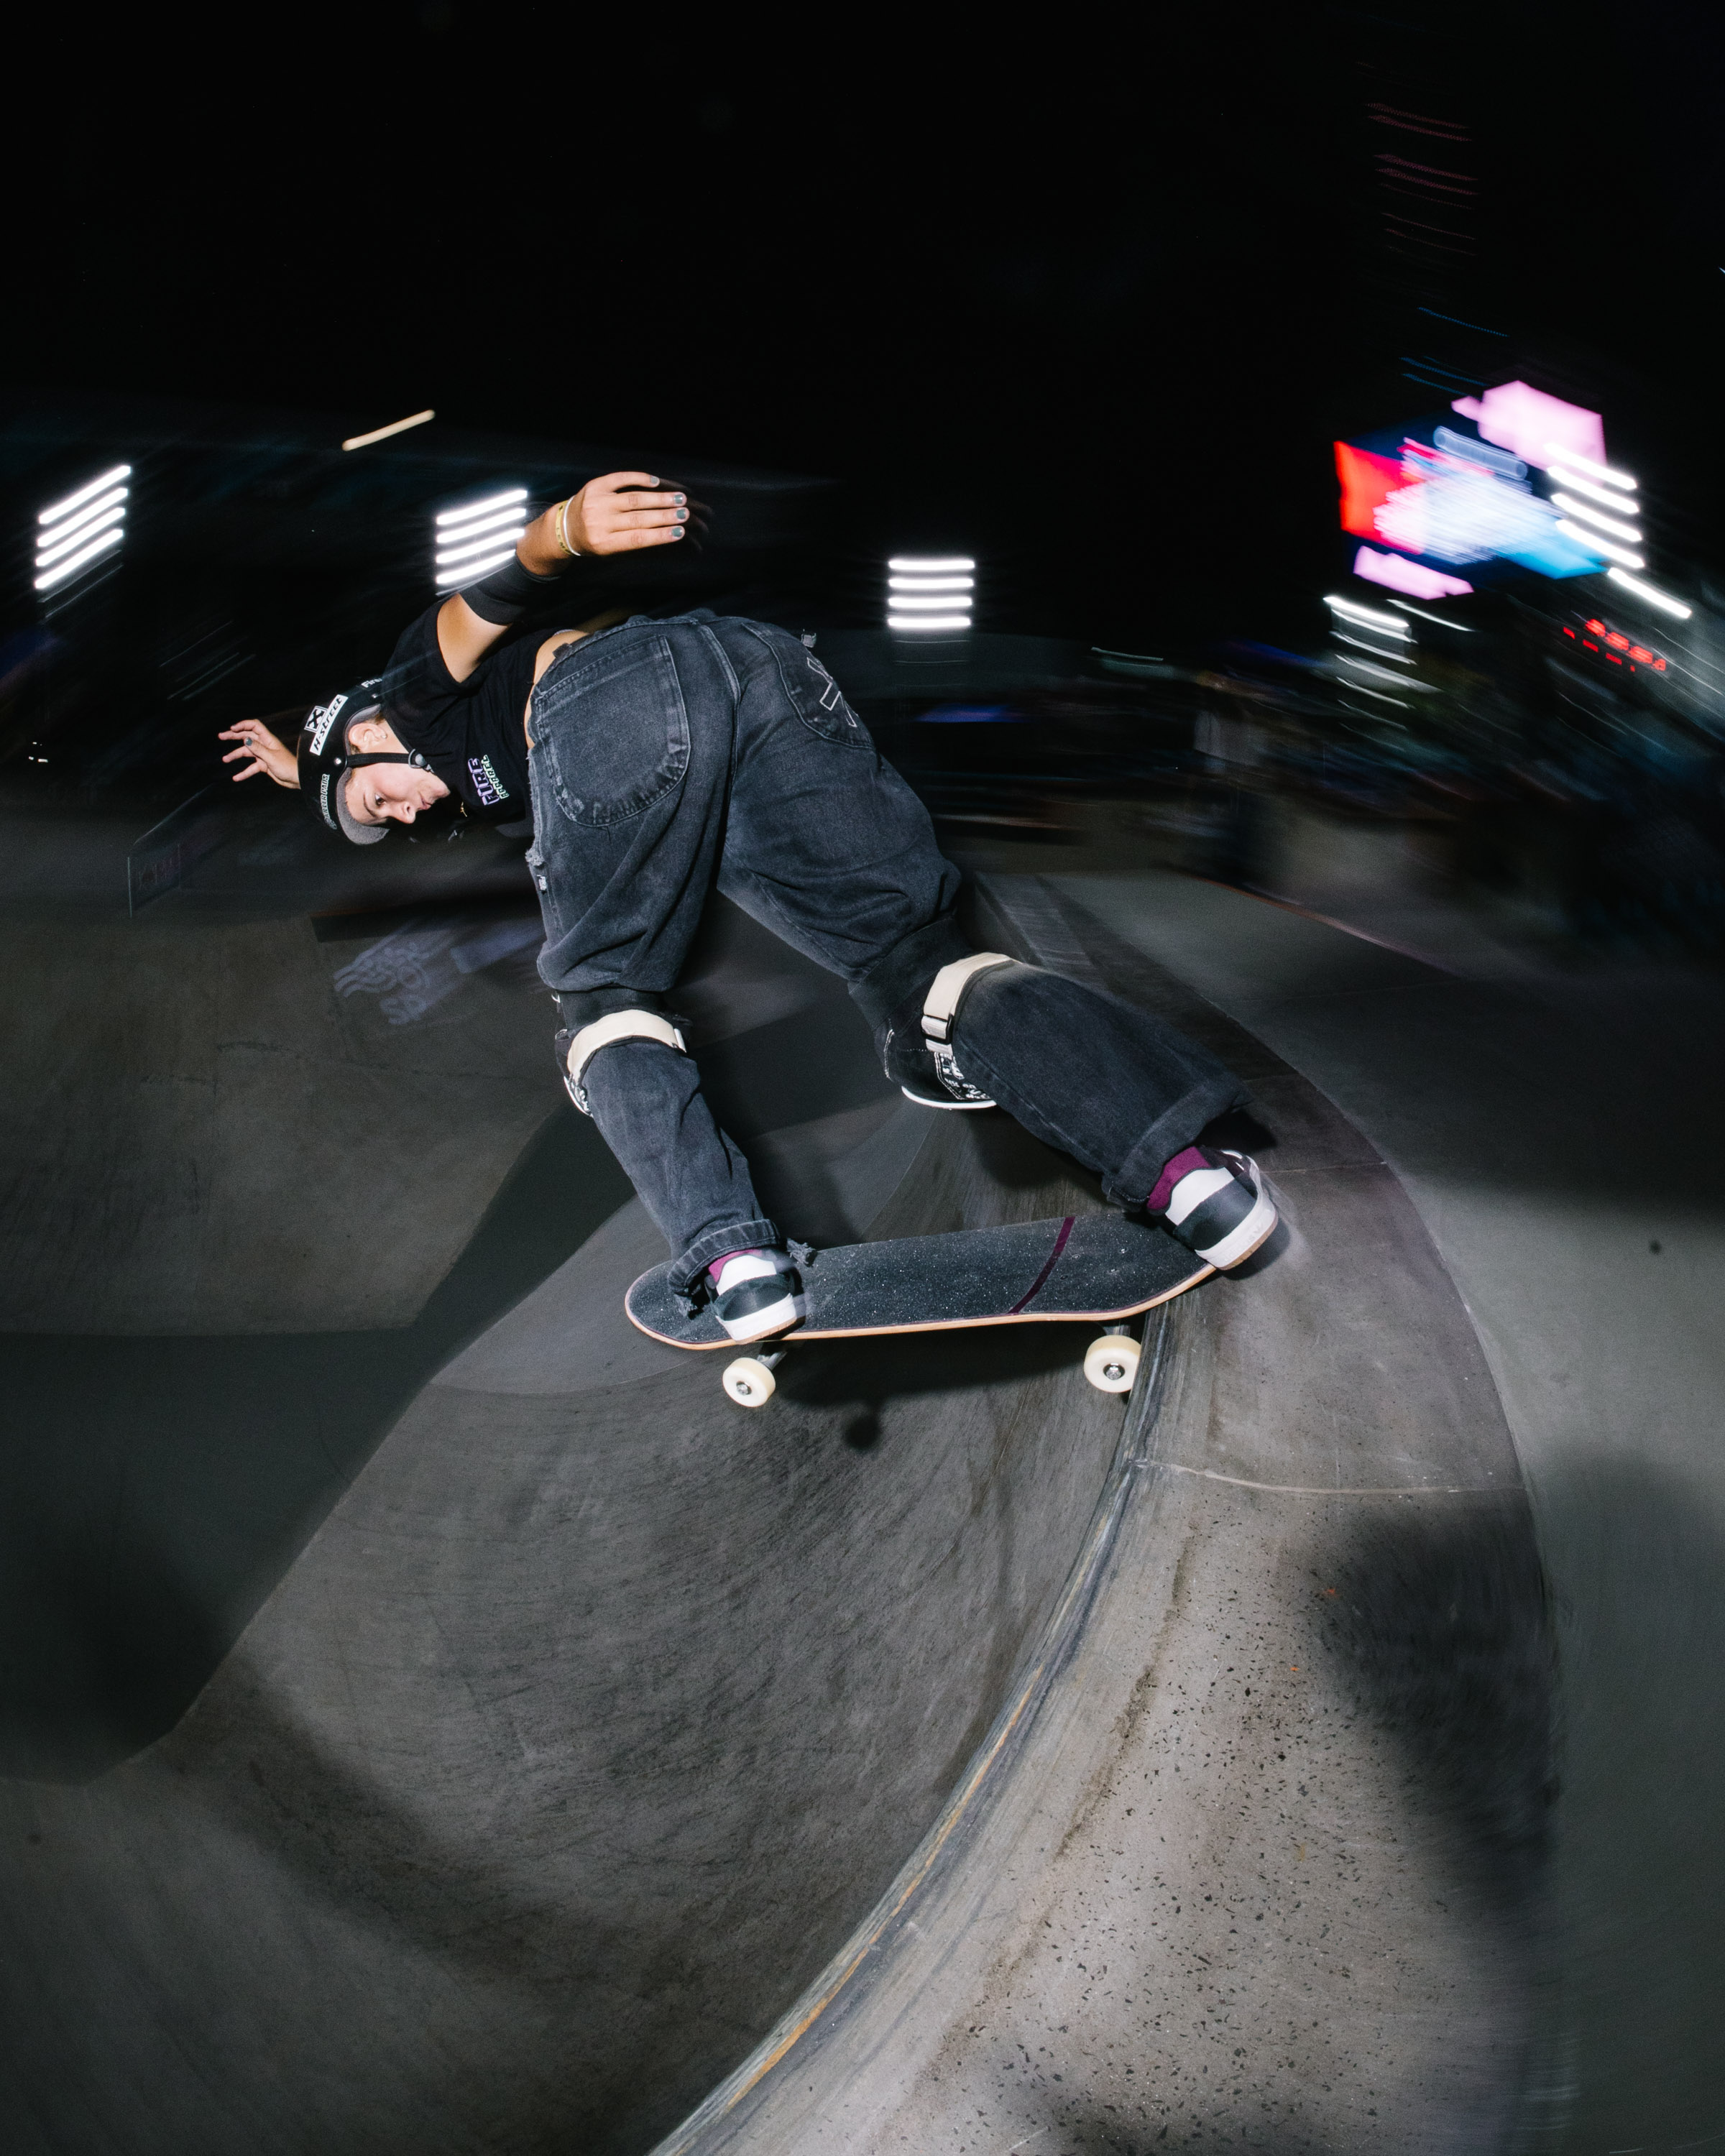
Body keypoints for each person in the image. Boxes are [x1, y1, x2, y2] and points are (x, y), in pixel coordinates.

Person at [221, 471, 1276, 1345]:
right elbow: (345, 762)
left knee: (601, 1002)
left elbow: (475, 611)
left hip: (617, 690)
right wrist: (299, 767)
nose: (402, 814)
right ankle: (1189, 1180)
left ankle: (735, 1256)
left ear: (367, 736)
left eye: (378, 795)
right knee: (916, 964)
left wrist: (558, 534)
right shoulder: (406, 750)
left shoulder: (408, 693)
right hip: (760, 670)